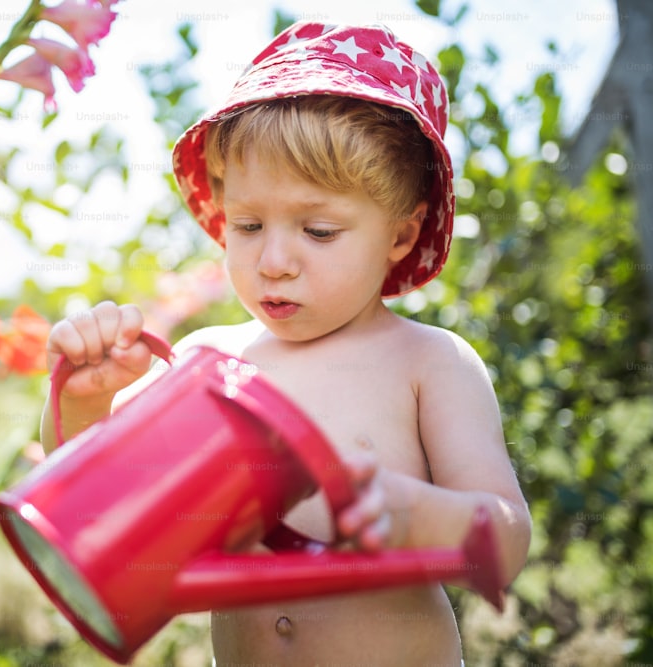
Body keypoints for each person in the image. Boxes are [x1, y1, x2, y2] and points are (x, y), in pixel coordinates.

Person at [41, 22, 531, 666]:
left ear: (401, 236)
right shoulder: (207, 360)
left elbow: (507, 539)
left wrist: (423, 516)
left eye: (320, 231)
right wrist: (81, 404)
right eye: (247, 225)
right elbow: (98, 501)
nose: (273, 260)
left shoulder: (427, 363)